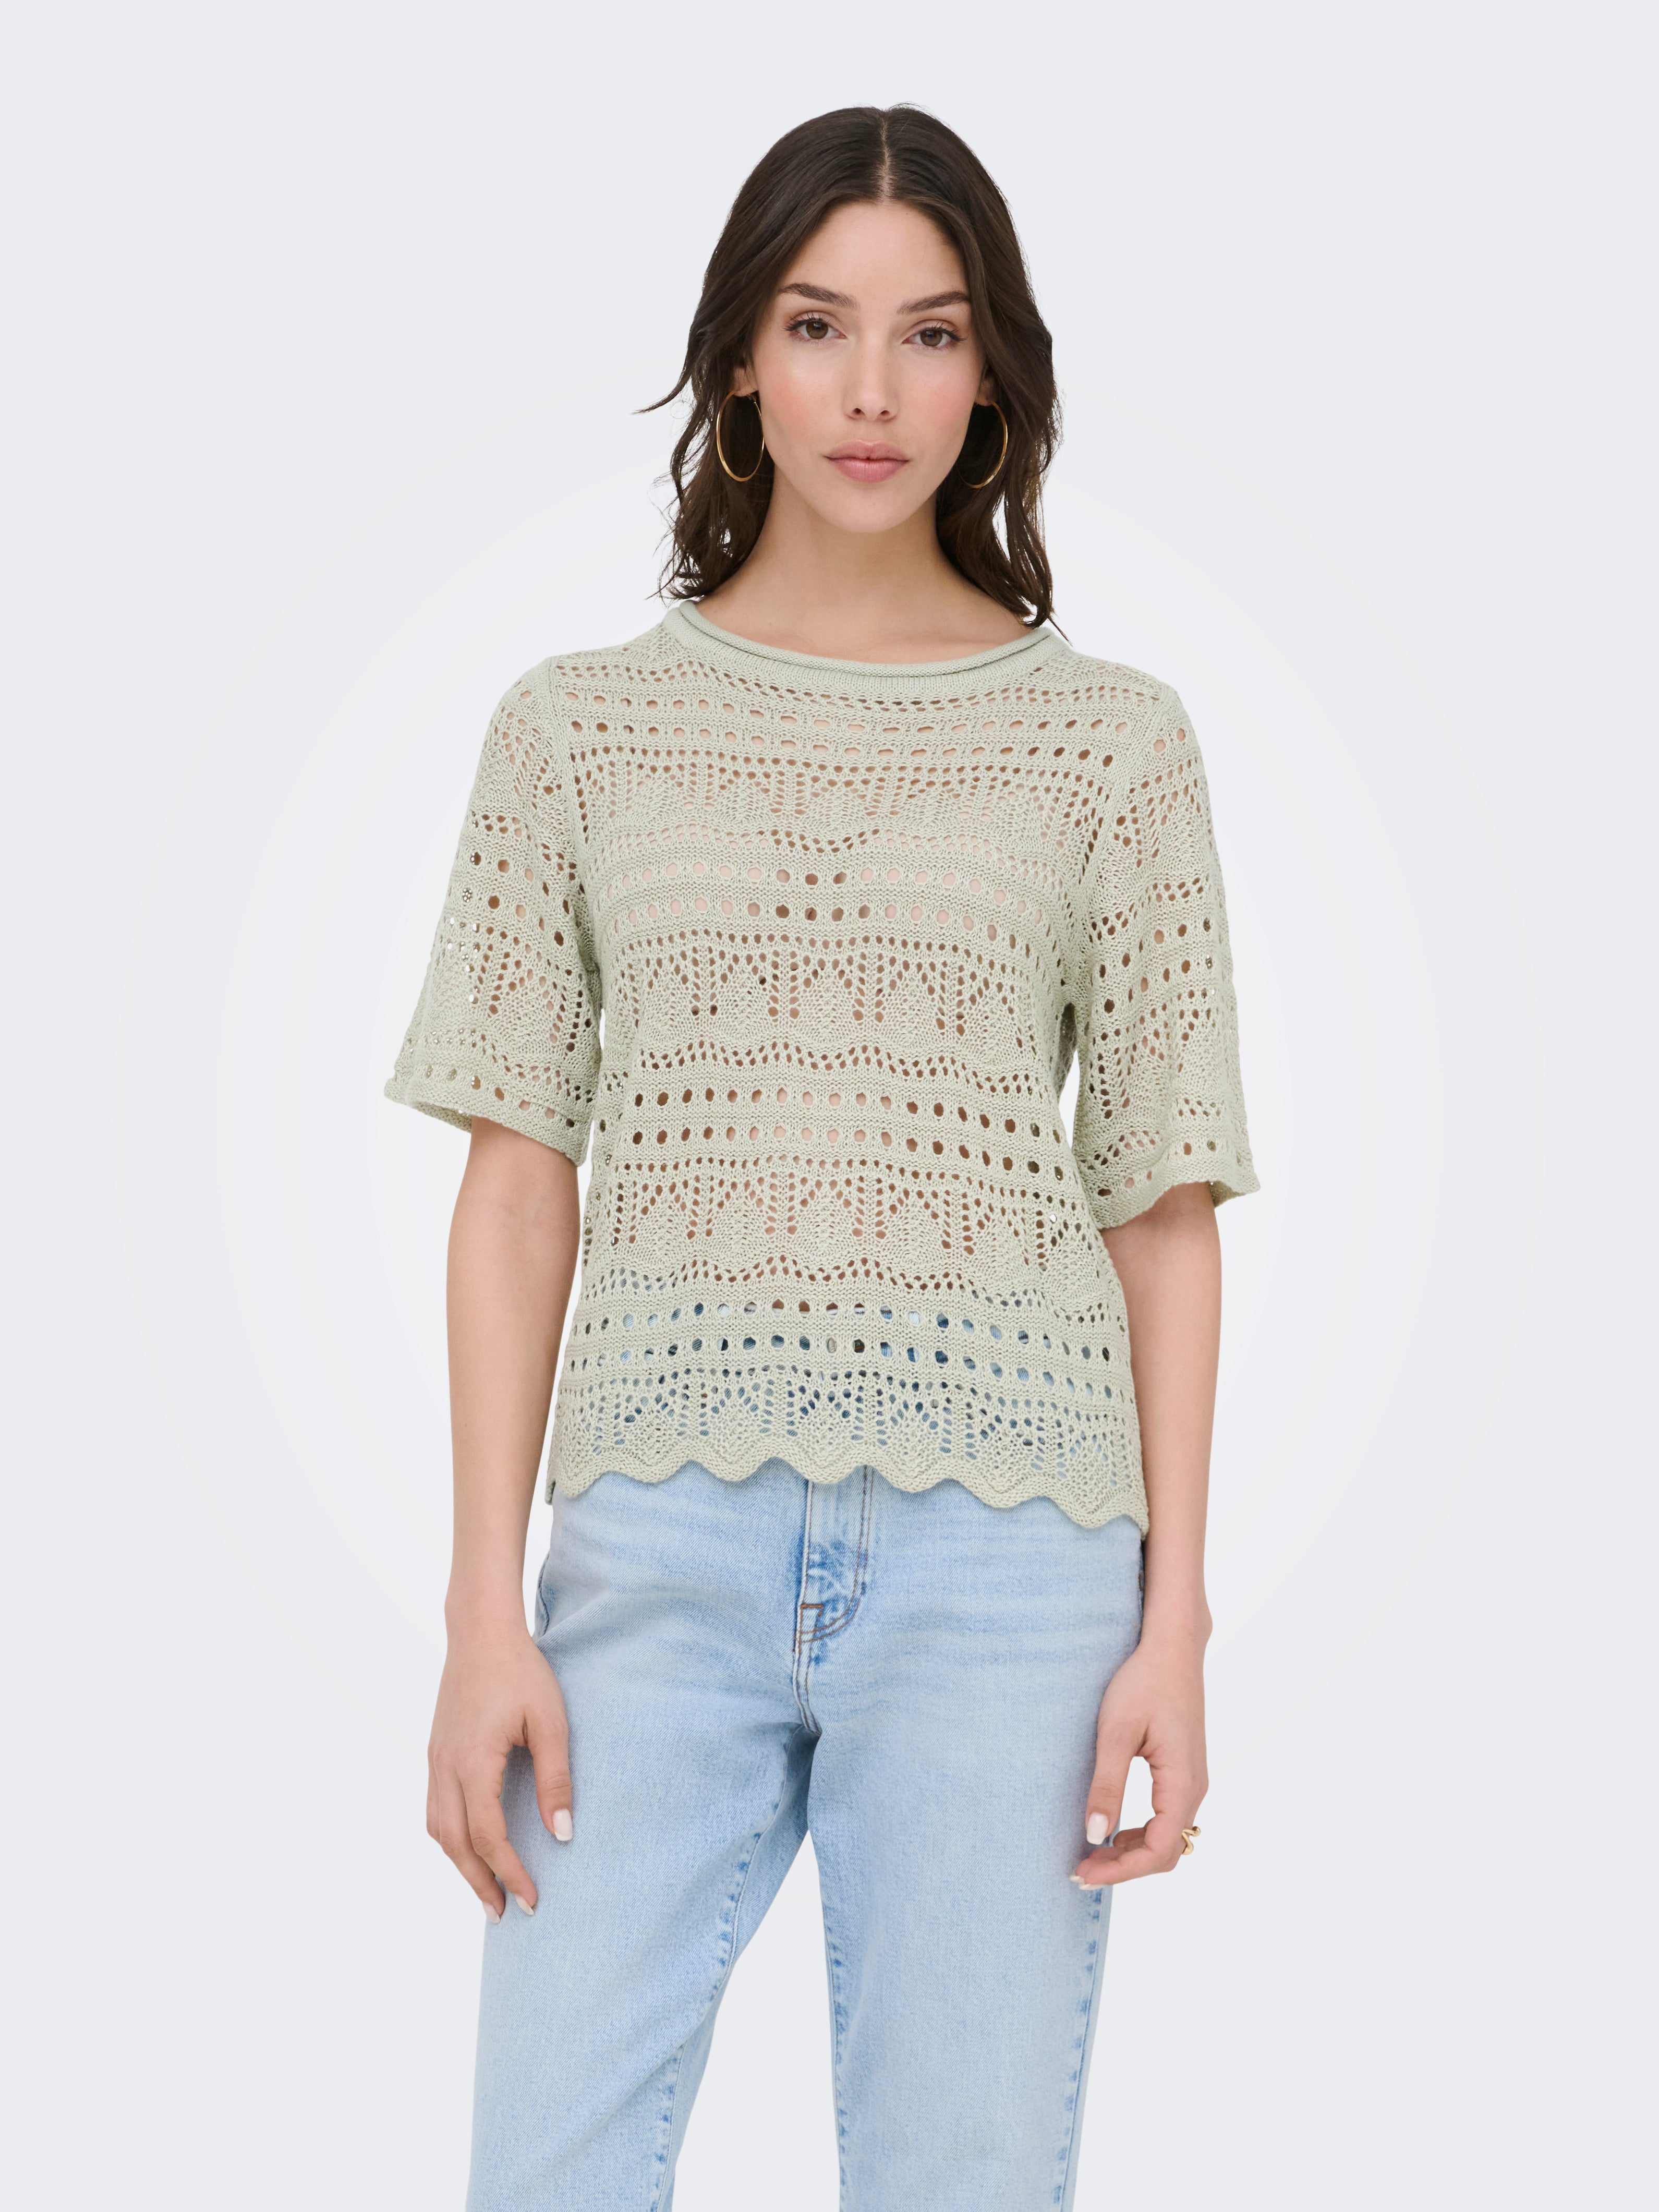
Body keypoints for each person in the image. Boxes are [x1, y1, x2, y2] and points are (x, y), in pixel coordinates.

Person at [385, 103, 1258, 2212]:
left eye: (930, 333)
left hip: (1012, 1570)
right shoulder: (573, 730)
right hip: (653, 1553)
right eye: (816, 325)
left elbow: (1160, 1206)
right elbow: (516, 1184)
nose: (873, 390)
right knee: (543, 2169)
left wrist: (1176, 1623)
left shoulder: (1112, 743)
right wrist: (482, 1608)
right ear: (739, 361)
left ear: (993, 375)